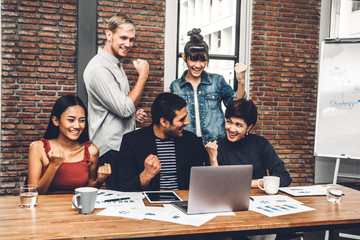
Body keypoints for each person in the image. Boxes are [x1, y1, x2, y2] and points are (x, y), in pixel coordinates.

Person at [83, 13, 149, 189]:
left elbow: (122, 107)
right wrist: (143, 76)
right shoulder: (99, 69)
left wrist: (134, 115)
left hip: (121, 147)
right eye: (123, 38)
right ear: (109, 35)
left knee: (126, 203)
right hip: (110, 150)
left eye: (132, 40)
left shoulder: (115, 65)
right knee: (116, 203)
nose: (128, 44)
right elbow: (124, 108)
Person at [112, 92, 209, 192]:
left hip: (184, 204)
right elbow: (124, 188)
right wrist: (146, 175)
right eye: (181, 119)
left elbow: (201, 184)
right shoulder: (132, 141)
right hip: (149, 206)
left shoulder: (192, 141)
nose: (187, 122)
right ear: (164, 122)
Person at [170, 28, 247, 145]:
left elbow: (235, 106)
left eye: (202, 60)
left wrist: (241, 82)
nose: (198, 65)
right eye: (193, 59)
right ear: (184, 57)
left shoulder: (217, 81)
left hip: (216, 143)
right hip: (186, 144)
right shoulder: (176, 86)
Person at [27, 95, 111, 195]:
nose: (77, 126)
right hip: (47, 209)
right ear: (56, 121)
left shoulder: (91, 151)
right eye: (71, 120)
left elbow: (88, 189)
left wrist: (99, 181)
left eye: (82, 120)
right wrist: (53, 165)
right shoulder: (38, 148)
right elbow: (33, 193)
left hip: (77, 208)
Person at [205, 98, 292, 188]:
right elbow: (214, 187)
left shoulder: (261, 144)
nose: (231, 129)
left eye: (238, 125)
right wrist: (213, 160)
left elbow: (284, 177)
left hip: (260, 199)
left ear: (249, 127)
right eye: (229, 122)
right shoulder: (216, 149)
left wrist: (249, 183)